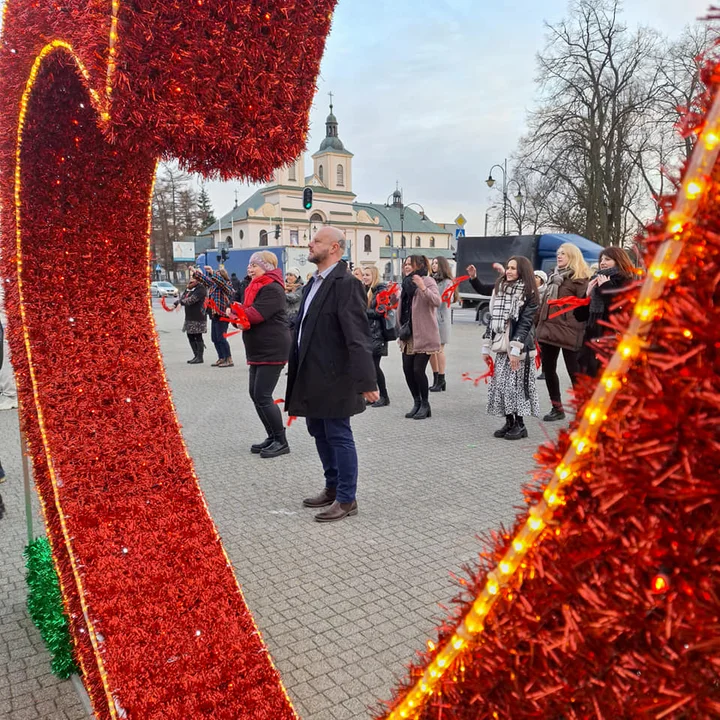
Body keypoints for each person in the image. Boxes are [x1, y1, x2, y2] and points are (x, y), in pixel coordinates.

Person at [285, 226, 378, 523]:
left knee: (338, 434)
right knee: (318, 431)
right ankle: (332, 486)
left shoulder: (345, 283)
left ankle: (347, 499)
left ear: (335, 247)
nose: (310, 245)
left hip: (336, 376)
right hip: (311, 374)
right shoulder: (314, 282)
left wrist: (366, 381)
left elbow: (357, 336)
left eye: (317, 241)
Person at [236, 252, 292, 458]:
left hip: (272, 348)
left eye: (255, 265)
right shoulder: (255, 286)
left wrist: (236, 314)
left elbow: (256, 314)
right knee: (255, 394)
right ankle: (272, 436)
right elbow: (246, 310)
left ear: (267, 267)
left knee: (262, 395)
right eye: (249, 264)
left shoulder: (273, 288)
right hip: (258, 348)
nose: (250, 268)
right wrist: (237, 312)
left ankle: (281, 440)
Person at [479, 256, 540, 440]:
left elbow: (526, 322)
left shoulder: (529, 293)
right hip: (501, 346)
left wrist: (515, 349)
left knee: (516, 387)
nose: (509, 271)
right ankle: (509, 422)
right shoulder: (500, 289)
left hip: (519, 347)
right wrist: (486, 345)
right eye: (508, 267)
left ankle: (520, 425)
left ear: (522, 270)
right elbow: (493, 319)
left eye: (513, 268)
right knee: (501, 387)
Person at [535, 243, 591, 421]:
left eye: (564, 254)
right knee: (549, 371)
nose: (559, 256)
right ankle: (557, 408)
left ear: (573, 257)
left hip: (570, 333)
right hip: (549, 331)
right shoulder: (553, 277)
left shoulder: (580, 279)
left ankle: (581, 414)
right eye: (558, 253)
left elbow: (584, 307)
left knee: (574, 374)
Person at [575, 246, 634, 377]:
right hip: (591, 342)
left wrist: (606, 289)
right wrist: (586, 296)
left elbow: (623, 312)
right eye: (601, 259)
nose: (602, 262)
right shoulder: (595, 282)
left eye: (607, 259)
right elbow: (579, 316)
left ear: (619, 261)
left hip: (612, 342)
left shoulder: (627, 283)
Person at [398, 255, 441, 420]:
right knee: (407, 370)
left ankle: (425, 404)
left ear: (419, 265)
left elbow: (437, 301)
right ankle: (416, 401)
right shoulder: (405, 283)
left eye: (411, 264)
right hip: (408, 334)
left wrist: (423, 287)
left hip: (424, 333)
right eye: (406, 264)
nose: (407, 267)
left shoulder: (428, 281)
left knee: (418, 370)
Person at [362, 265, 391, 408]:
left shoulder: (381, 291)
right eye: (363, 275)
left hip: (377, 334)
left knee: (374, 367)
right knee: (370, 367)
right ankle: (375, 395)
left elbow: (381, 311)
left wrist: (363, 312)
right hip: (369, 333)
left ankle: (384, 396)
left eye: (367, 275)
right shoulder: (367, 290)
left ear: (374, 276)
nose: (364, 277)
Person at [195, 265, 235, 367]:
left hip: (223, 314)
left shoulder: (227, 285)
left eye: (216, 276)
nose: (214, 278)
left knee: (221, 338)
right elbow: (205, 280)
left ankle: (228, 359)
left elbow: (220, 283)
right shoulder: (213, 286)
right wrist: (196, 272)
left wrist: (212, 272)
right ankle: (221, 357)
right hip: (215, 315)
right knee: (215, 338)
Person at [429, 256, 454, 392]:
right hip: (430, 319)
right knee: (431, 351)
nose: (434, 265)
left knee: (439, 349)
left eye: (437, 263)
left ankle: (441, 378)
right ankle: (435, 378)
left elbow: (444, 300)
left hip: (441, 318)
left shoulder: (447, 282)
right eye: (433, 263)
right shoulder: (430, 280)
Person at [175, 271, 207, 364]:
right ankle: (195, 355)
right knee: (190, 335)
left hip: (198, 316)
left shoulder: (201, 288)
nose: (191, 279)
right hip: (189, 316)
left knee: (197, 335)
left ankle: (200, 357)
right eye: (190, 277)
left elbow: (192, 299)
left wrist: (181, 303)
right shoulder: (189, 288)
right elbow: (183, 298)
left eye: (193, 277)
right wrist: (176, 303)